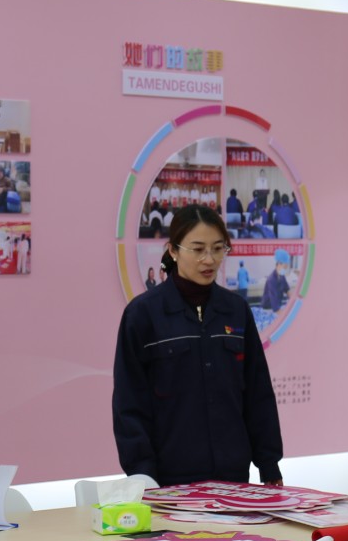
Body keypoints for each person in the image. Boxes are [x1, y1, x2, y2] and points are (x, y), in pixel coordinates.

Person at [112, 205, 283, 488]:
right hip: (167, 482)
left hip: (233, 478)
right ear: (174, 250)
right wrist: (143, 474)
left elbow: (258, 393)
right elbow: (129, 404)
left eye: (218, 248)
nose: (209, 259)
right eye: (198, 249)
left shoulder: (236, 310)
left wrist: (269, 464)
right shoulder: (143, 314)